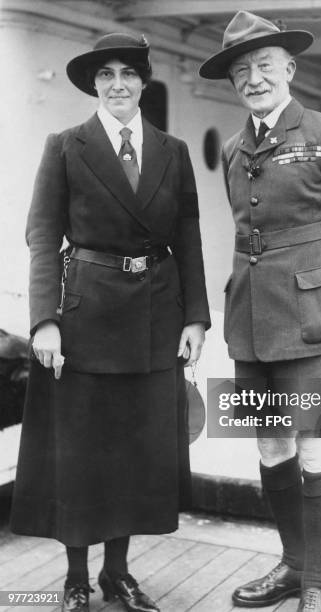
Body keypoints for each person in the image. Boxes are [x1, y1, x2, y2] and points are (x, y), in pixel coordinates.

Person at [11, 33, 210, 612]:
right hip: (84, 320)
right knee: (82, 450)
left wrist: (196, 317)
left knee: (134, 451)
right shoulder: (66, 146)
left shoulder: (172, 151)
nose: (118, 84)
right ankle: (76, 578)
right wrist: (44, 320)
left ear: (144, 83)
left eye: (128, 74)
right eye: (106, 76)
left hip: (155, 317)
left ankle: (117, 574)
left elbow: (190, 238)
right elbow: (43, 235)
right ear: (94, 85)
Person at [200, 11, 321, 612]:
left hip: (317, 325)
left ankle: (315, 584)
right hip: (252, 324)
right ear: (233, 83)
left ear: (289, 69)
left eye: (264, 65)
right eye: (241, 70)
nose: (253, 78)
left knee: (314, 446)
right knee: (272, 447)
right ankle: (290, 566)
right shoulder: (232, 149)